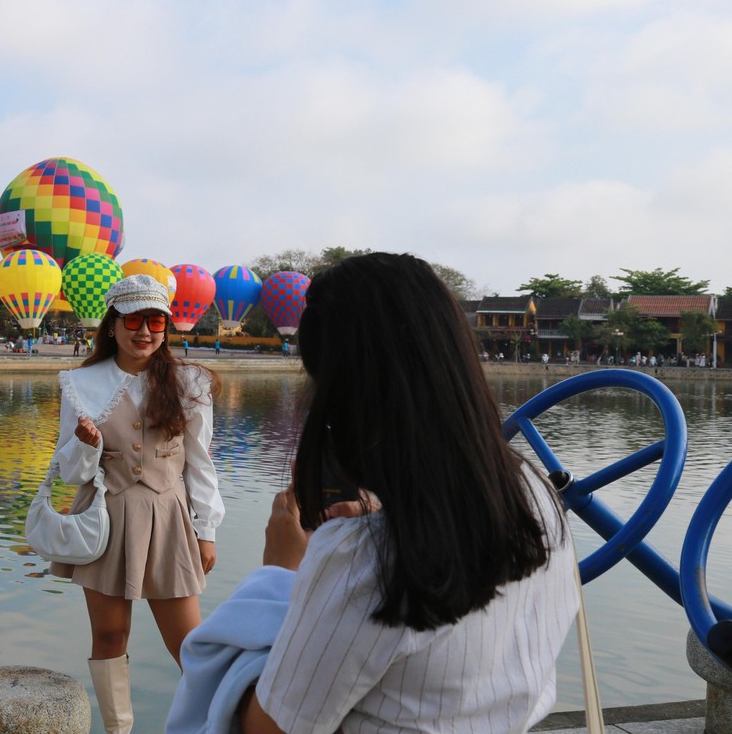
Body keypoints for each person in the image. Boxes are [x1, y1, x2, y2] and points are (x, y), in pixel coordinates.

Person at [167, 253, 578, 734]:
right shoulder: (537, 495)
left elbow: (270, 727)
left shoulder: (364, 553)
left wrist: (278, 574)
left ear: (338, 390)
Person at [46, 274, 224, 734]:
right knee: (109, 636)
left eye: (155, 321)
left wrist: (206, 530)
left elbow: (201, 464)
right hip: (105, 519)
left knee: (190, 645)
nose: (144, 332)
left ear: (166, 326)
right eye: (133, 320)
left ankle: (212, 725)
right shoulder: (81, 383)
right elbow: (70, 472)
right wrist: (86, 445)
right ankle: (117, 730)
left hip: (170, 519)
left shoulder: (191, 382)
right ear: (112, 325)